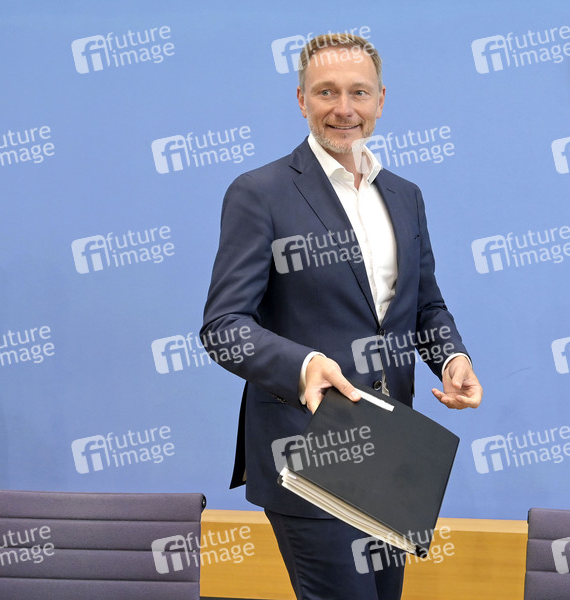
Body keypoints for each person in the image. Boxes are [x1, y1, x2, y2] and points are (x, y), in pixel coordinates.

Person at [201, 33, 482, 600]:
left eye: (359, 92)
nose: (344, 108)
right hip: (308, 450)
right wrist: (304, 366)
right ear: (301, 100)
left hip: (393, 451)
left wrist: (451, 357)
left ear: (381, 100)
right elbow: (223, 328)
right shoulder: (259, 192)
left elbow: (424, 305)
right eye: (326, 92)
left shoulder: (405, 196)